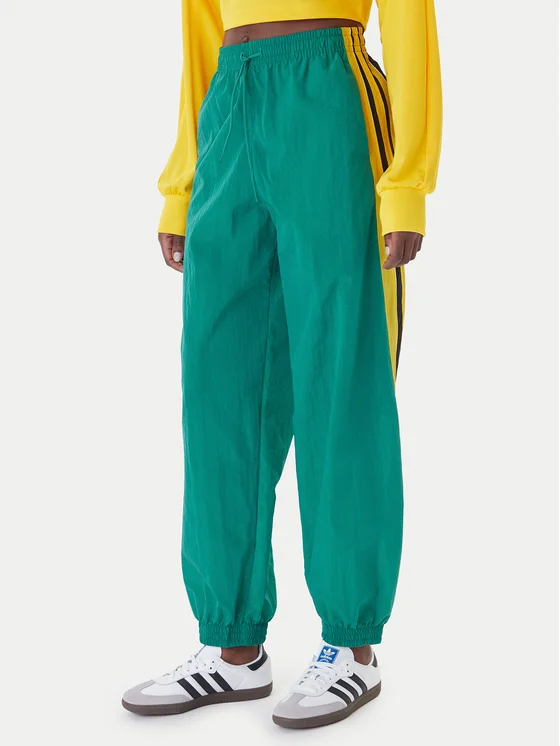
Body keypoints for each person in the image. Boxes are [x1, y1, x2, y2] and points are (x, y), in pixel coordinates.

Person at [122, 0, 441, 729]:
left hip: (328, 90)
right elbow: (202, 29)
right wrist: (182, 185)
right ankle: (232, 646)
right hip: (229, 102)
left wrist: (405, 184)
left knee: (341, 374)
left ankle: (352, 646)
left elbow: (409, 16)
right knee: (218, 385)